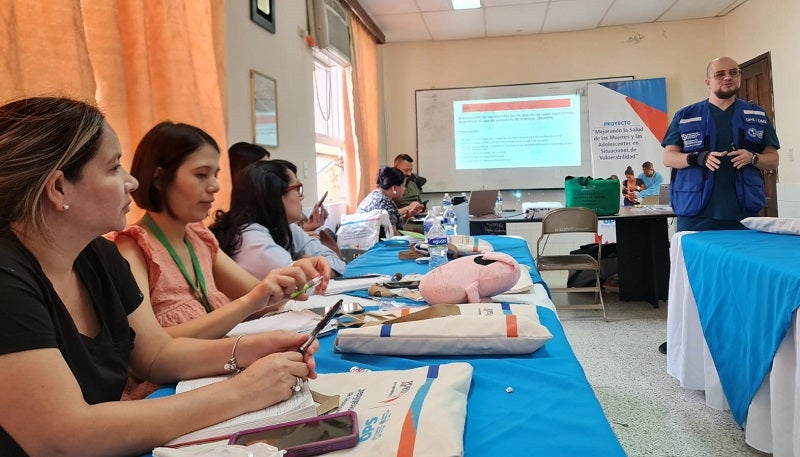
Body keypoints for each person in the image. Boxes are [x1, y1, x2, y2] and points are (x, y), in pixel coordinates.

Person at [0, 97, 321, 456]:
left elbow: (156, 354)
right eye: (113, 168)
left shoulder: (98, 257)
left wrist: (250, 348)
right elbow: (60, 437)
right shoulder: (8, 279)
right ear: (58, 188)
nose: (131, 181)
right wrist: (243, 392)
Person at [111, 121, 331, 398]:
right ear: (159, 178)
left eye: (215, 174)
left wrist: (297, 274)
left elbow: (262, 298)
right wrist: (252, 301)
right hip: (169, 390)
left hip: (218, 371)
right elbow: (152, 350)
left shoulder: (198, 238)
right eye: (202, 175)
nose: (215, 186)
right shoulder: (132, 249)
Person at [659, 56, 781, 355]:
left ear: (738, 78)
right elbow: (669, 157)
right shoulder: (686, 115)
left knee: (738, 277)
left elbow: (772, 158)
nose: (728, 78)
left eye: (733, 73)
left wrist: (752, 158)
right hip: (696, 211)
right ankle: (685, 338)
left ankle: (736, 338)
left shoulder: (757, 115)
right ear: (709, 81)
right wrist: (696, 158)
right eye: (720, 74)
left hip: (742, 211)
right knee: (690, 277)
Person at [211, 160, 346, 279]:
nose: (301, 197)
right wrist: (308, 265)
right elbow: (297, 287)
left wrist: (308, 266)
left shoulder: (286, 227)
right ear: (276, 195)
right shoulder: (250, 237)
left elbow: (336, 261)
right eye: (297, 189)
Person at [357, 166, 407, 234]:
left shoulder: (374, 195)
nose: (404, 189)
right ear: (394, 188)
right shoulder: (384, 203)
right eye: (403, 185)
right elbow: (393, 235)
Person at [391, 154, 425, 219]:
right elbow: (390, 214)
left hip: (416, 218)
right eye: (406, 170)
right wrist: (409, 208)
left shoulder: (413, 185)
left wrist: (422, 208)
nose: (409, 174)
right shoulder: (390, 188)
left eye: (411, 170)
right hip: (401, 221)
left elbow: (420, 204)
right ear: (396, 169)